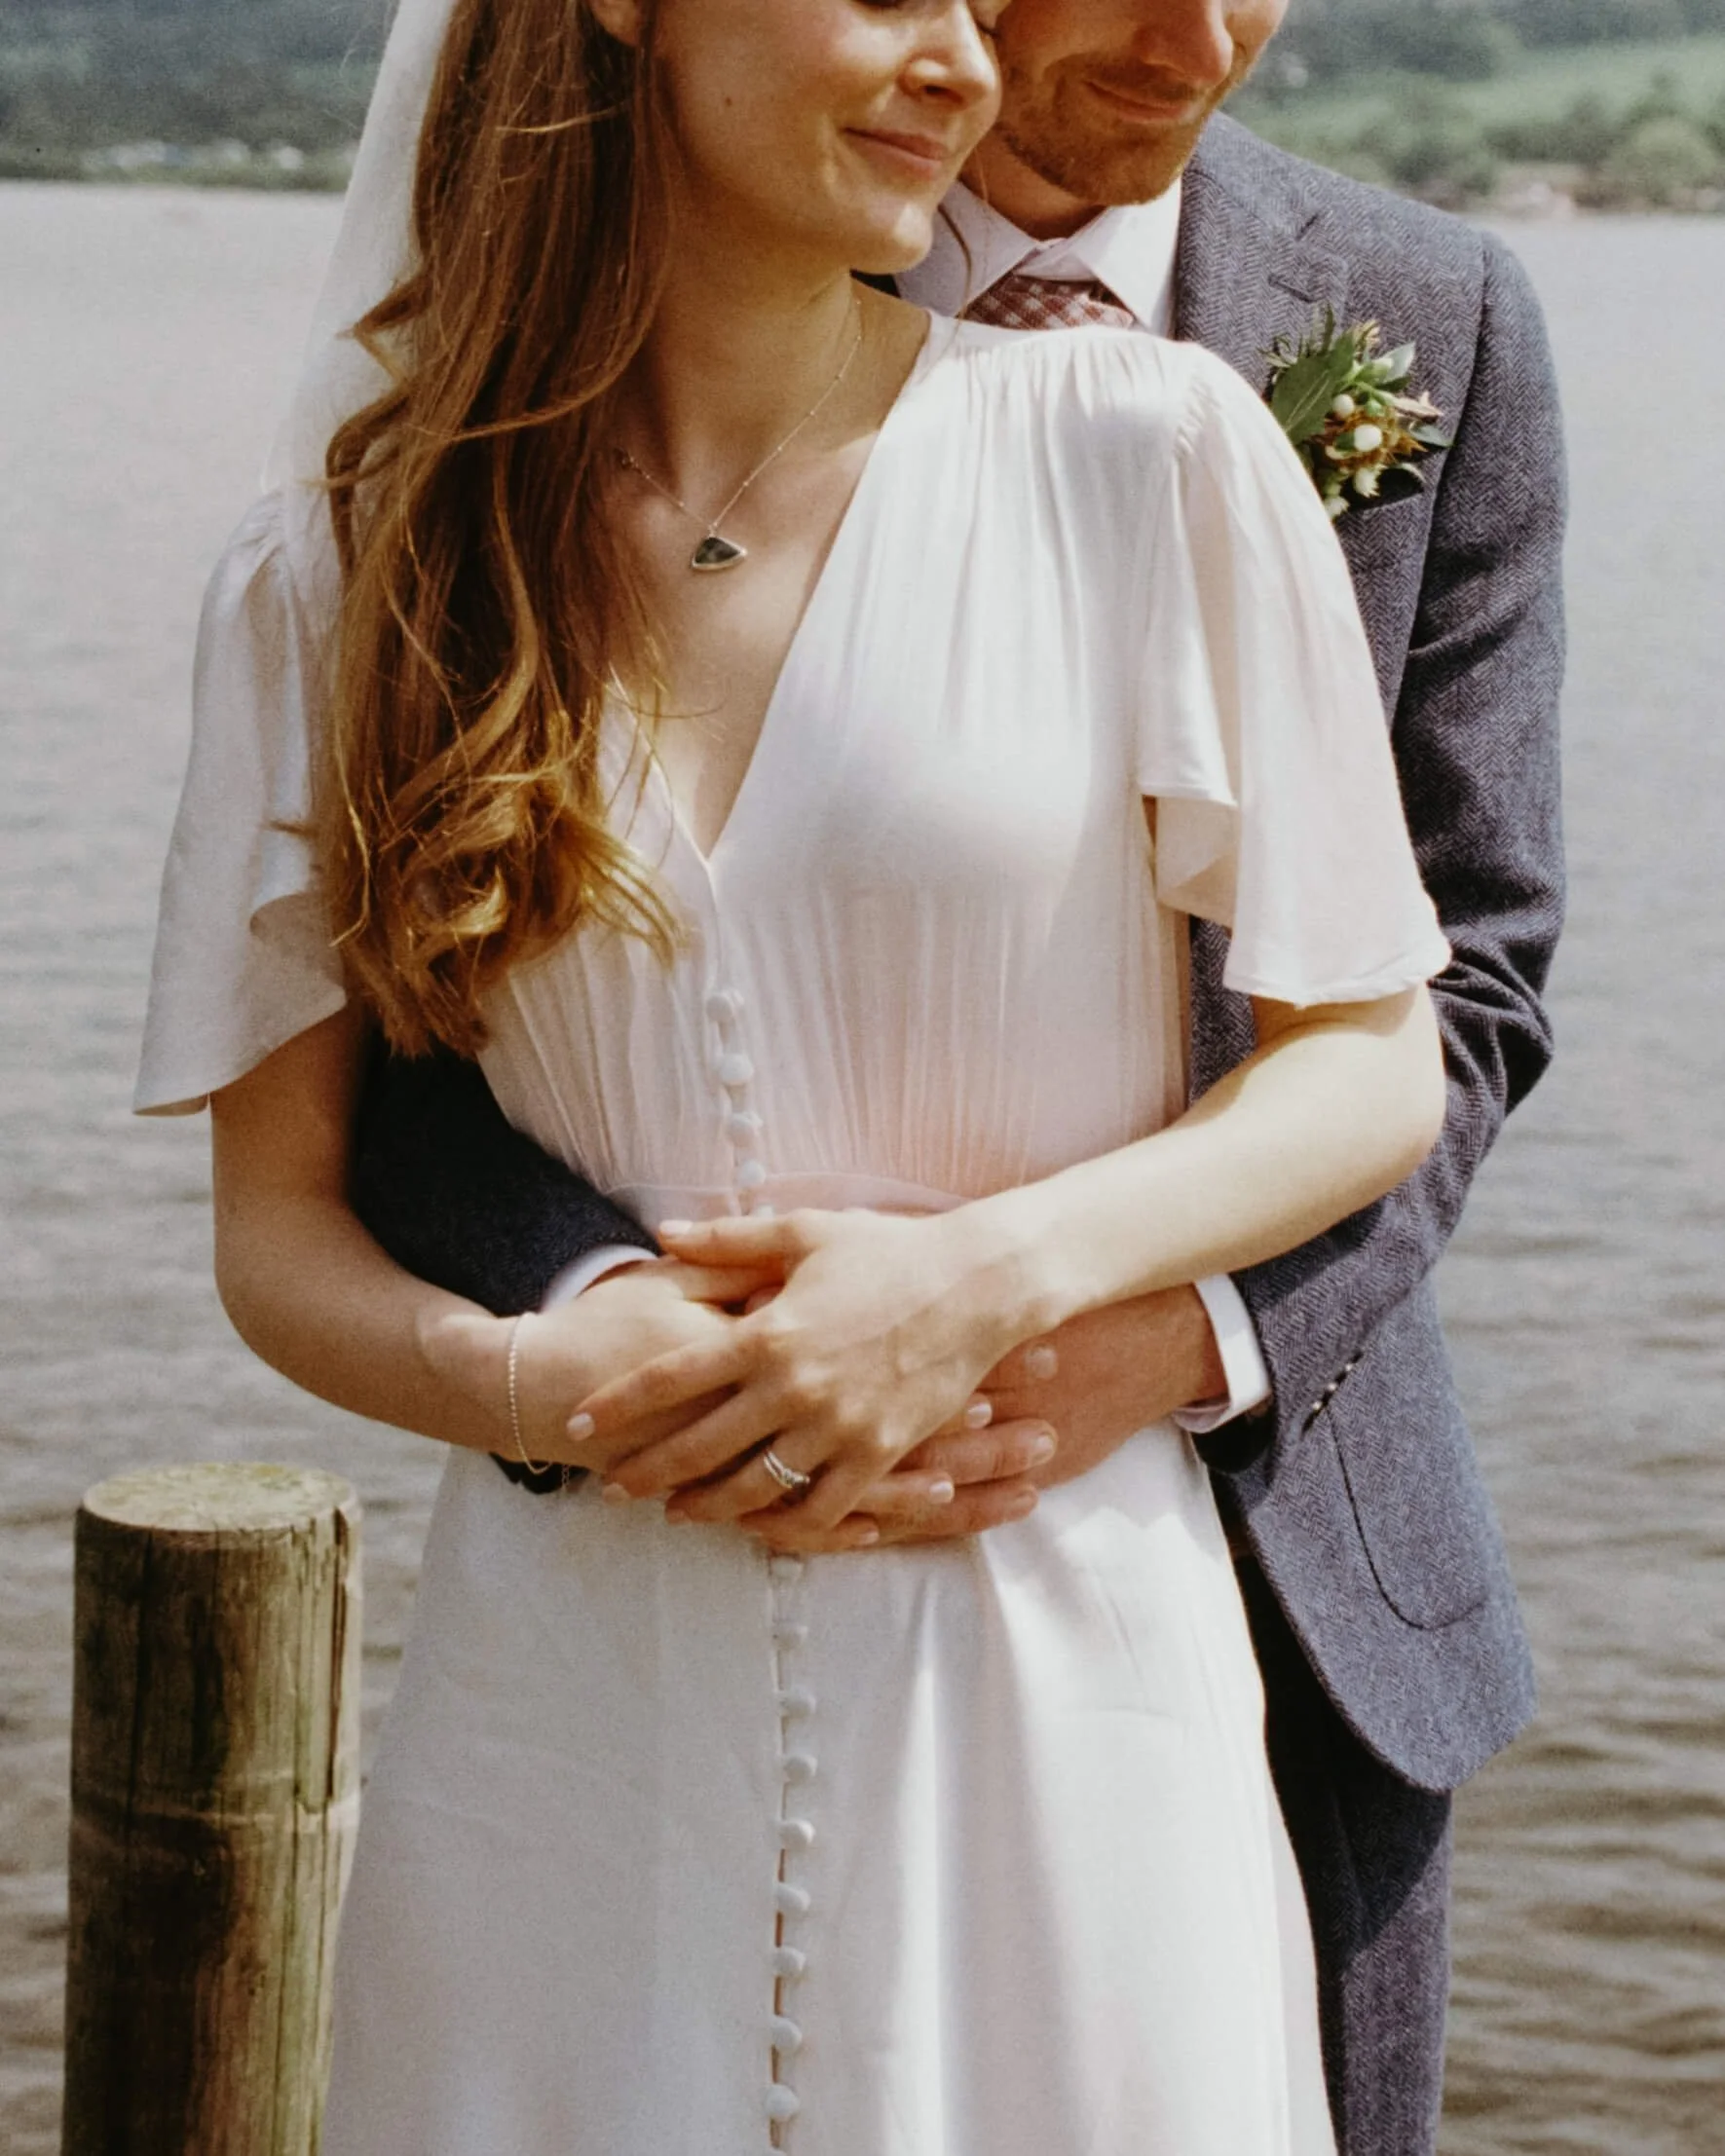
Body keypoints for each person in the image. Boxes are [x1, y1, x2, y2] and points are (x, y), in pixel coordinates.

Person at [134, 0, 1487, 2149]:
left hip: (1062, 1682)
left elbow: (1371, 1067)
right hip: (566, 1706)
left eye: (979, 0)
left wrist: (984, 1284)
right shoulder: (336, 576)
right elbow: (278, 1225)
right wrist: (531, 1382)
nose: (959, 59)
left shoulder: (1149, 453)